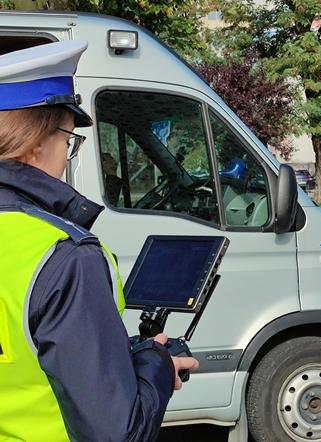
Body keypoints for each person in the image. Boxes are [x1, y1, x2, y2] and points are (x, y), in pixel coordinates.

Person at [0, 41, 198, 441]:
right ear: (36, 140)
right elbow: (117, 432)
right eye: (68, 139)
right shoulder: (64, 257)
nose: (67, 155)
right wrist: (157, 363)